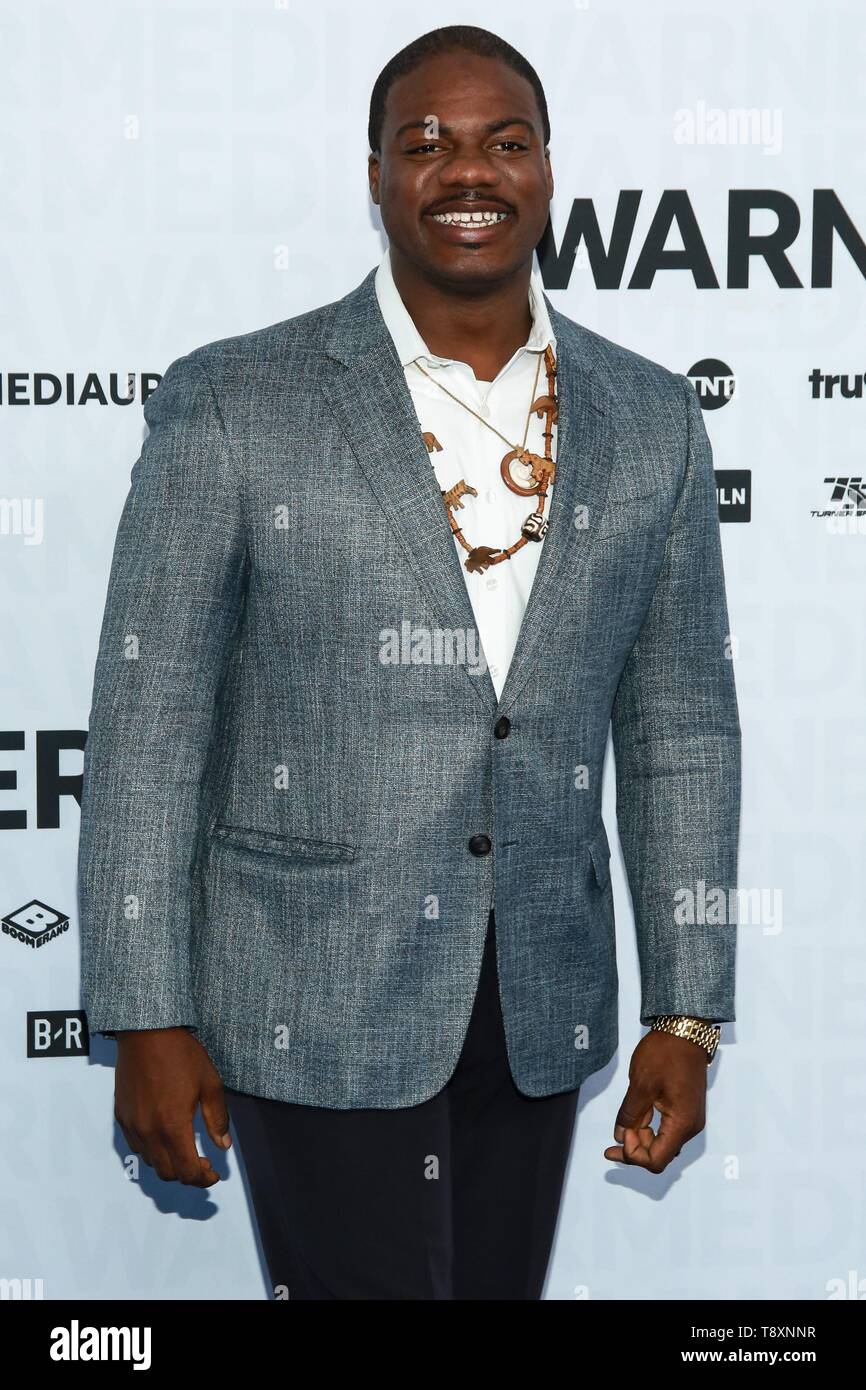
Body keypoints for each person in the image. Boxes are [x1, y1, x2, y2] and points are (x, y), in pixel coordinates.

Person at [77, 25, 741, 1300]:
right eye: (424, 142)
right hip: (311, 988)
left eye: (503, 140)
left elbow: (680, 729)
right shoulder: (235, 399)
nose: (465, 171)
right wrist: (145, 1012)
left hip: (541, 999)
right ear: (374, 175)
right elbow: (148, 719)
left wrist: (686, 1008)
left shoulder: (650, 417)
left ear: (548, 171)